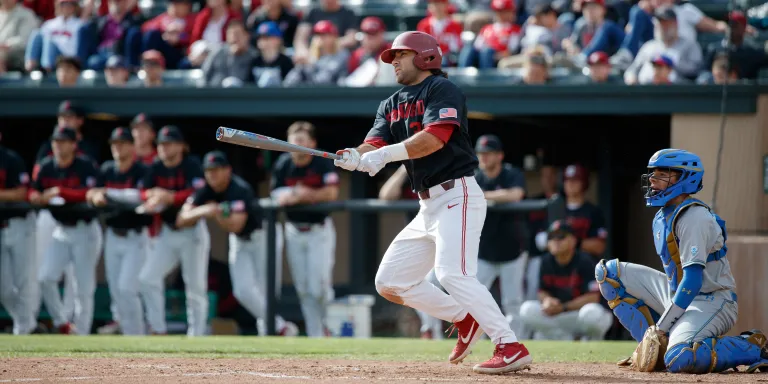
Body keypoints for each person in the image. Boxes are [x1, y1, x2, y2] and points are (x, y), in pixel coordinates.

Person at [333, 31, 532, 374]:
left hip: (458, 194)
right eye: (392, 56)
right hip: (427, 205)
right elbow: (374, 144)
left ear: (425, 56)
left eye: (401, 54)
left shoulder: (442, 89)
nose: (393, 61)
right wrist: (355, 155)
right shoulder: (391, 102)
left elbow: (434, 139)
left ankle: (509, 345)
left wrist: (383, 157)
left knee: (453, 275)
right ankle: (463, 317)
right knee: (390, 281)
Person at [596, 149, 768, 373]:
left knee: (680, 358)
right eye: (653, 174)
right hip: (678, 294)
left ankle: (751, 346)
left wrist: (661, 327)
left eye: (662, 174)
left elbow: (693, 281)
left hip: (712, 300)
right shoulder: (661, 216)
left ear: (685, 178)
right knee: (608, 274)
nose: (653, 180)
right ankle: (654, 350)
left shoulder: (694, 217)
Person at [178, 150, 298, 336]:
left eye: (217, 170)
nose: (212, 174)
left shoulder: (239, 188)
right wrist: (206, 210)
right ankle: (280, 327)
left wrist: (215, 213)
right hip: (240, 241)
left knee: (267, 292)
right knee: (242, 291)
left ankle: (269, 335)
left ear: (227, 170)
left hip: (263, 235)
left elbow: (236, 224)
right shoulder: (206, 190)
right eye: (209, 171)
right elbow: (182, 218)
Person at [105, 125, 210, 336]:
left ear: (181, 146)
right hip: (168, 232)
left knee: (195, 286)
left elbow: (200, 191)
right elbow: (143, 191)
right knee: (147, 278)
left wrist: (171, 197)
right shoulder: (155, 167)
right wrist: (153, 195)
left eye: (169, 144)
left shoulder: (191, 165)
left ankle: (196, 335)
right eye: (161, 144)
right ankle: (159, 330)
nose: (163, 148)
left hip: (192, 232)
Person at [30, 126, 103, 335]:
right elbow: (34, 189)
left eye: (63, 141)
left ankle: (82, 332)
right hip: (61, 230)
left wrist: (61, 191)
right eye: (56, 141)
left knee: (83, 286)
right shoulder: (47, 167)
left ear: (73, 145)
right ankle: (62, 323)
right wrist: (36, 196)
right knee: (45, 277)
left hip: (85, 229)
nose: (59, 145)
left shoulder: (85, 165)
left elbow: (90, 193)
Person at [271, 121, 339, 337]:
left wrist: (305, 194)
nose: (297, 145)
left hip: (319, 230)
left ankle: (328, 325)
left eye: (301, 141)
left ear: (311, 143)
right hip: (293, 230)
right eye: (293, 141)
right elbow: (275, 194)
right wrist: (293, 193)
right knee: (303, 289)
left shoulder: (321, 161)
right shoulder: (283, 164)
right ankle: (315, 335)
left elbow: (331, 193)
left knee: (318, 286)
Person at [86, 127, 152, 336]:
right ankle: (126, 335)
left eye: (122, 143)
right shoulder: (106, 169)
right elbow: (92, 191)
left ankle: (136, 335)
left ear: (132, 146)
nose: (117, 147)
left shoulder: (141, 170)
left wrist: (110, 194)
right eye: (114, 144)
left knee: (127, 288)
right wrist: (95, 196)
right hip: (113, 234)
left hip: (136, 235)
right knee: (116, 289)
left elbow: (141, 196)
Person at [378, 164, 443, 340]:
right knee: (406, 281)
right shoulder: (410, 174)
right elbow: (386, 195)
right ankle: (430, 330)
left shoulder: (444, 171)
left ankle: (444, 326)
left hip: (445, 239)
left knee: (448, 281)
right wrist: (405, 167)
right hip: (420, 244)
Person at [472, 134, 529, 338]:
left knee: (512, 302)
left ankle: (515, 343)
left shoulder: (510, 173)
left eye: (489, 153)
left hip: (512, 250)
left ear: (500, 155)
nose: (484, 157)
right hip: (483, 251)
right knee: (474, 298)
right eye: (481, 153)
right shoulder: (475, 177)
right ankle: (474, 340)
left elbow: (516, 194)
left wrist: (484, 196)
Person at [519, 220, 612, 340]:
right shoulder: (546, 261)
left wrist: (563, 307)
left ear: (573, 240)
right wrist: (548, 300)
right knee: (527, 309)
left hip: (581, 314)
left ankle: (591, 342)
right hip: (560, 314)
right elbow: (542, 291)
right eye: (552, 237)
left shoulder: (585, 260)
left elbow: (593, 297)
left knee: (591, 314)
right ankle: (563, 338)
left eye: (561, 237)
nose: (556, 241)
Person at [0, 135, 36, 335]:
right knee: (3, 288)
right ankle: (25, 320)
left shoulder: (11, 159)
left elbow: (22, 192)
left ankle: (23, 329)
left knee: (23, 280)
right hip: (1, 227)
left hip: (19, 223)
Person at [561, 164, 607, 259]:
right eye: (567, 180)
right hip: (561, 267)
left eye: (575, 180)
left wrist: (575, 242)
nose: (570, 184)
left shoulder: (593, 212)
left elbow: (600, 247)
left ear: (584, 183)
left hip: (586, 265)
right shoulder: (557, 210)